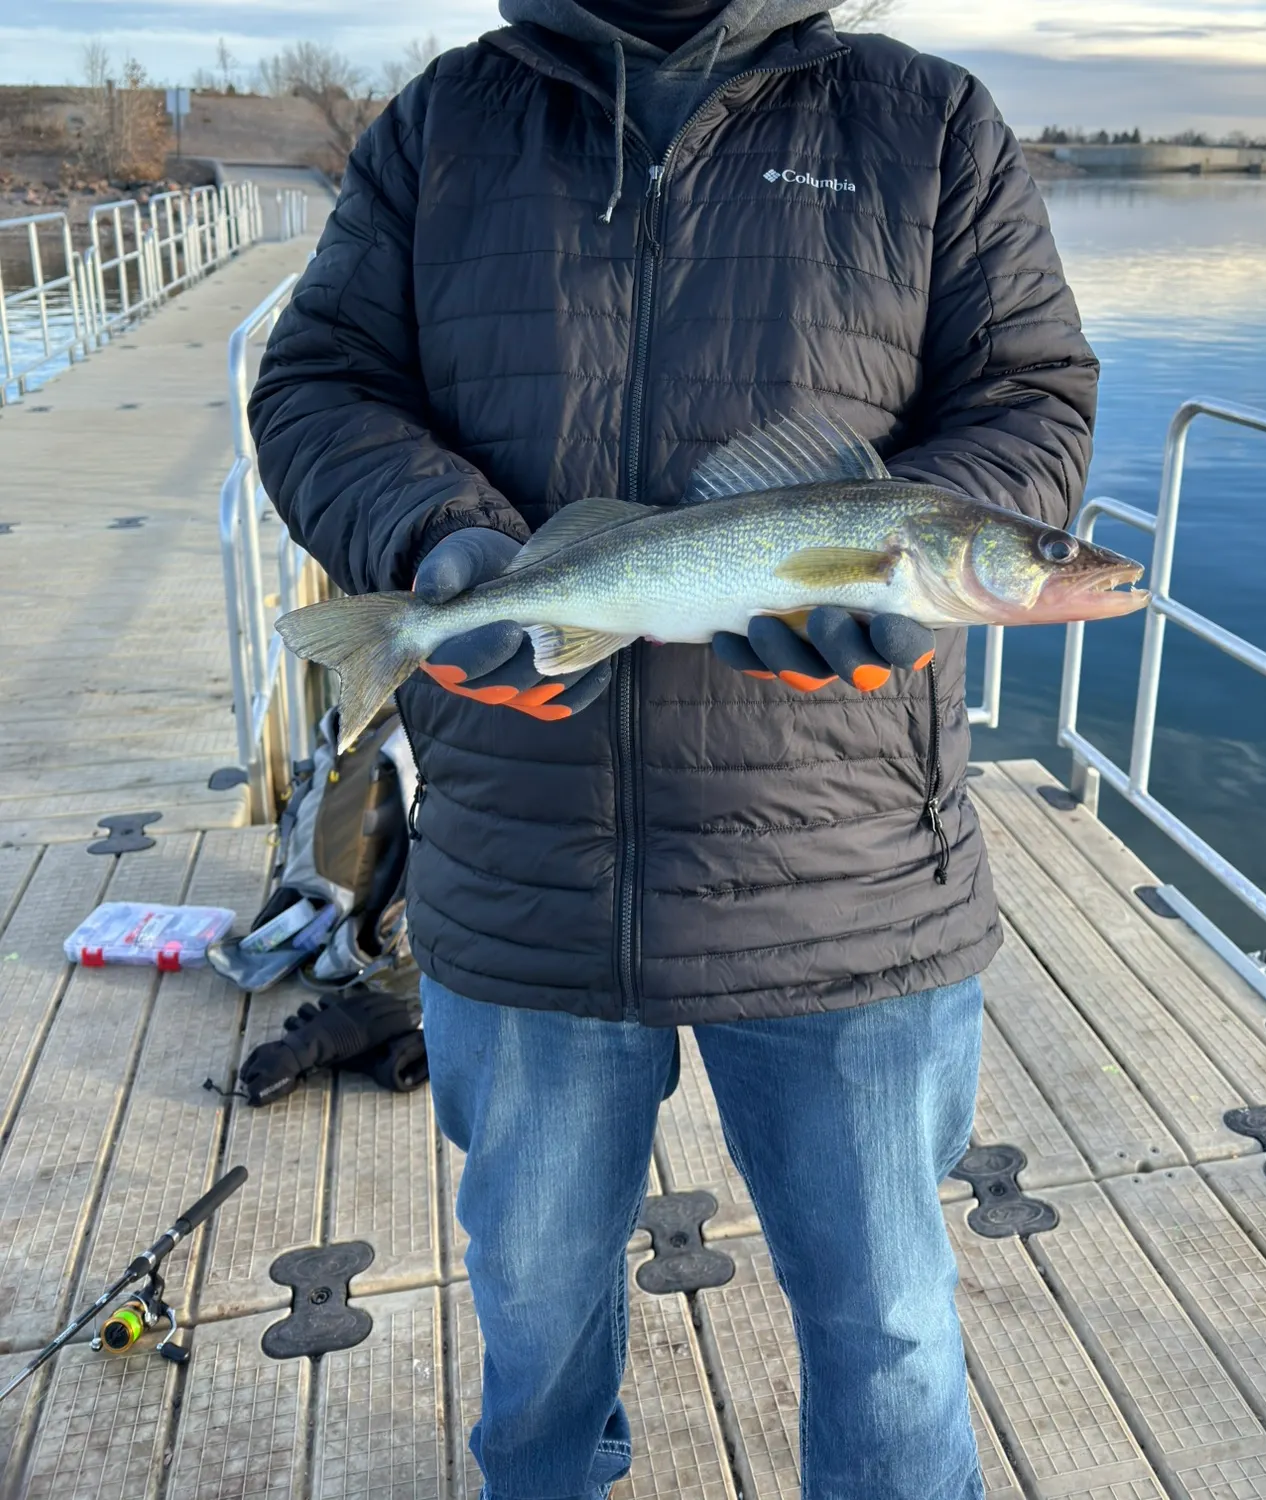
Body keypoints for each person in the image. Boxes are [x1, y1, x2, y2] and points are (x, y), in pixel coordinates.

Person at [250, 0, 1098, 1493]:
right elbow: (320, 383)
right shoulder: (443, 123)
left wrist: (919, 540)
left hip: (847, 878)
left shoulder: (929, 122)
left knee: (891, 1326)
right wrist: (435, 535)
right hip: (521, 862)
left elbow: (1029, 399)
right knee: (531, 1321)